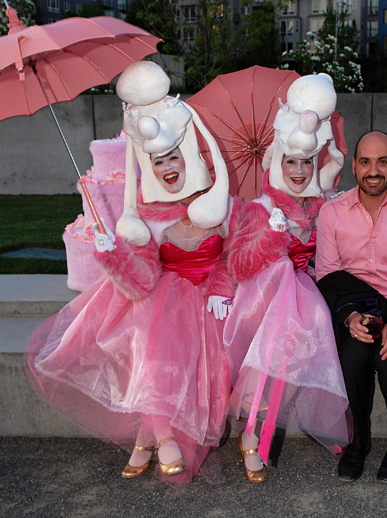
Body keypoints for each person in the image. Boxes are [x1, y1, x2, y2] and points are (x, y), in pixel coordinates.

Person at [25, 61, 236, 484]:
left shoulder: (220, 205)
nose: (167, 166)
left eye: (173, 156)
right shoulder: (147, 216)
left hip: (213, 301)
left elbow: (234, 255)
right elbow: (142, 280)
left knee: (175, 352)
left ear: (188, 155)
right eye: (157, 161)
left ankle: (144, 439)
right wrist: (113, 256)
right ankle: (164, 438)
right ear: (148, 166)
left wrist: (221, 284)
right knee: (154, 344)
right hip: (166, 297)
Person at [223, 73, 350, 484]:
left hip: (304, 295)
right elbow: (239, 266)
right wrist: (271, 236)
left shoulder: (321, 206)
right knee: (287, 329)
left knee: (309, 321)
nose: (298, 170)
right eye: (291, 161)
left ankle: (259, 426)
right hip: (266, 298)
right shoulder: (260, 208)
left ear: (316, 163)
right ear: (278, 162)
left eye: (306, 162)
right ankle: (250, 433)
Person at [316, 130, 387, 483]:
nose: (373, 171)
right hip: (355, 303)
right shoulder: (332, 212)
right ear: (353, 165)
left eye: (382, 161)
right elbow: (327, 274)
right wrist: (350, 316)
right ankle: (358, 444)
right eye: (365, 162)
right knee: (352, 358)